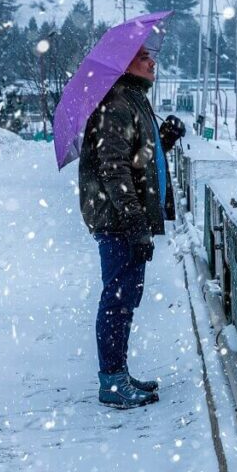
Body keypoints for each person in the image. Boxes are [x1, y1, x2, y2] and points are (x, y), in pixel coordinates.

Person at [78, 44, 186, 409]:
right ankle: (111, 381)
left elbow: (135, 160)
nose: (152, 61)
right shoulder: (118, 105)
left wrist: (164, 141)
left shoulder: (133, 101)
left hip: (124, 219)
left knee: (125, 299)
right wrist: (136, 224)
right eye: (142, 56)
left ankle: (118, 374)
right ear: (124, 64)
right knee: (117, 301)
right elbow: (114, 170)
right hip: (118, 221)